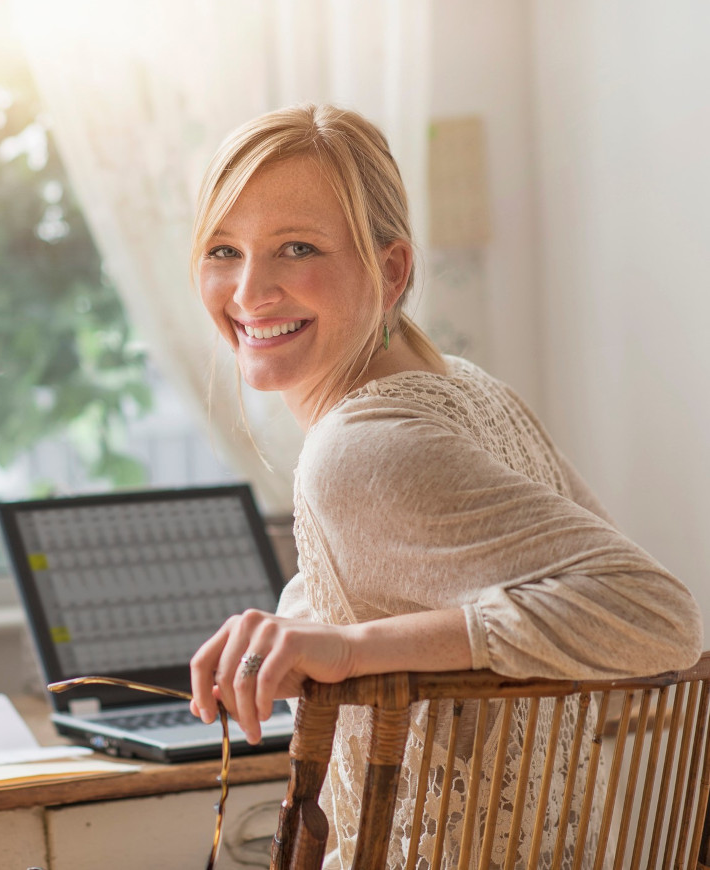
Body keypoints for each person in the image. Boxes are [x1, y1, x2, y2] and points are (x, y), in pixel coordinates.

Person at [186, 103, 702, 867]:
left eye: (297, 247)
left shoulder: (358, 450)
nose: (250, 290)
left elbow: (658, 614)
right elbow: (431, 578)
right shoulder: (465, 389)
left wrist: (352, 645)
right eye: (225, 249)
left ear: (391, 270)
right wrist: (305, 623)